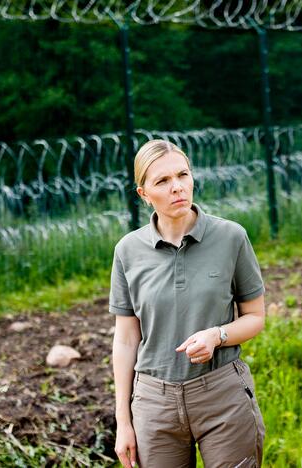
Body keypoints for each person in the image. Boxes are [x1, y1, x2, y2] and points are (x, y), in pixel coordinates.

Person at [109, 139, 266, 468]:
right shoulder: (128, 251)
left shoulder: (231, 237)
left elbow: (254, 317)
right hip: (154, 403)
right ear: (143, 194)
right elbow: (125, 339)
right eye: (162, 181)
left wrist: (217, 336)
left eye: (182, 175)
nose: (177, 187)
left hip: (222, 394)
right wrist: (123, 421)